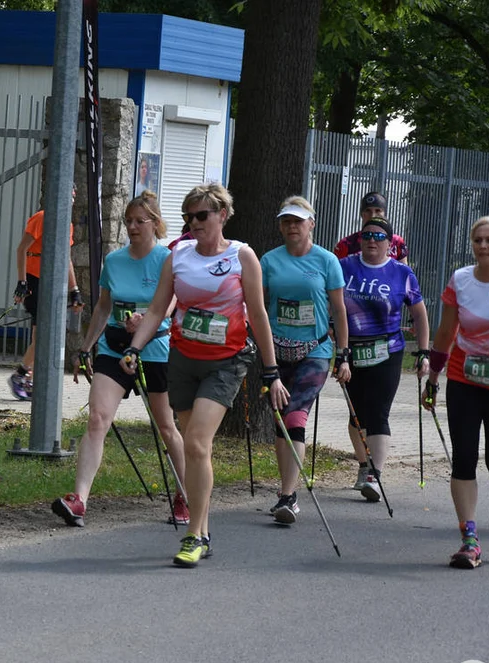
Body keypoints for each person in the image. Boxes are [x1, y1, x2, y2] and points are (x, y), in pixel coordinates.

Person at [122, 182, 287, 567]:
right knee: (199, 450)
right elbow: (160, 307)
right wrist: (135, 348)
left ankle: (194, 534)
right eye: (188, 217)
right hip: (183, 359)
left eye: (201, 215)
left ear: (222, 216)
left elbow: (258, 315)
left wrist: (272, 370)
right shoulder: (177, 255)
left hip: (226, 362)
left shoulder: (242, 257)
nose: (193, 223)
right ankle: (204, 528)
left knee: (196, 443)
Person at [52, 191, 188, 527]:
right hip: (114, 349)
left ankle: (186, 494)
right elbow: (103, 307)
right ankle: (79, 500)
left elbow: (169, 304)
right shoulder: (114, 261)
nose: (132, 227)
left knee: (167, 427)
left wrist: (146, 321)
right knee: (97, 418)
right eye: (128, 221)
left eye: (139, 221)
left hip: (154, 350)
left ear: (155, 224)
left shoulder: (166, 260)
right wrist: (86, 347)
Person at [424, 215, 489, 570]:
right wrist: (433, 375)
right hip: (465, 378)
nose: (484, 246)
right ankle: (469, 540)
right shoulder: (460, 280)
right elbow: (445, 332)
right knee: (463, 457)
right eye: (478, 240)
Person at [261, 197, 349, 524]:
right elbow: (258, 306)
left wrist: (344, 355)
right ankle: (287, 491)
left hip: (316, 350)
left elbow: (339, 311)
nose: (292, 226)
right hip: (276, 351)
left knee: (296, 417)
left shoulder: (327, 261)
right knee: (281, 422)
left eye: (298, 221)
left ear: (311, 223)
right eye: (286, 221)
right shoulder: (268, 261)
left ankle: (287, 495)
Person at [339, 216, 430, 501]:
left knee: (378, 412)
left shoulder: (401, 273)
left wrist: (424, 352)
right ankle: (364, 465)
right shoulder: (344, 267)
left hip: (388, 350)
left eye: (379, 237)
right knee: (356, 415)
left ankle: (374, 476)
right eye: (367, 235)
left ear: (390, 244)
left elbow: (419, 315)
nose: (371, 241)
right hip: (352, 349)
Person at [9, 187, 84, 400]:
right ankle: (22, 375)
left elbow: (66, 257)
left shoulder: (66, 225)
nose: (69, 200)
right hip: (34, 279)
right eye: (65, 195)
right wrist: (22, 282)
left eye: (72, 196)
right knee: (42, 334)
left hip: (51, 282)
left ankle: (26, 376)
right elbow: (21, 249)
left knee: (42, 335)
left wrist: (75, 290)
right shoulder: (43, 217)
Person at [333, 191, 409, 264]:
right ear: (362, 214)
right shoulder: (346, 244)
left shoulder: (397, 242)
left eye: (378, 211)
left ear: (385, 214)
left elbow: (404, 274)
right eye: (368, 210)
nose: (372, 215)